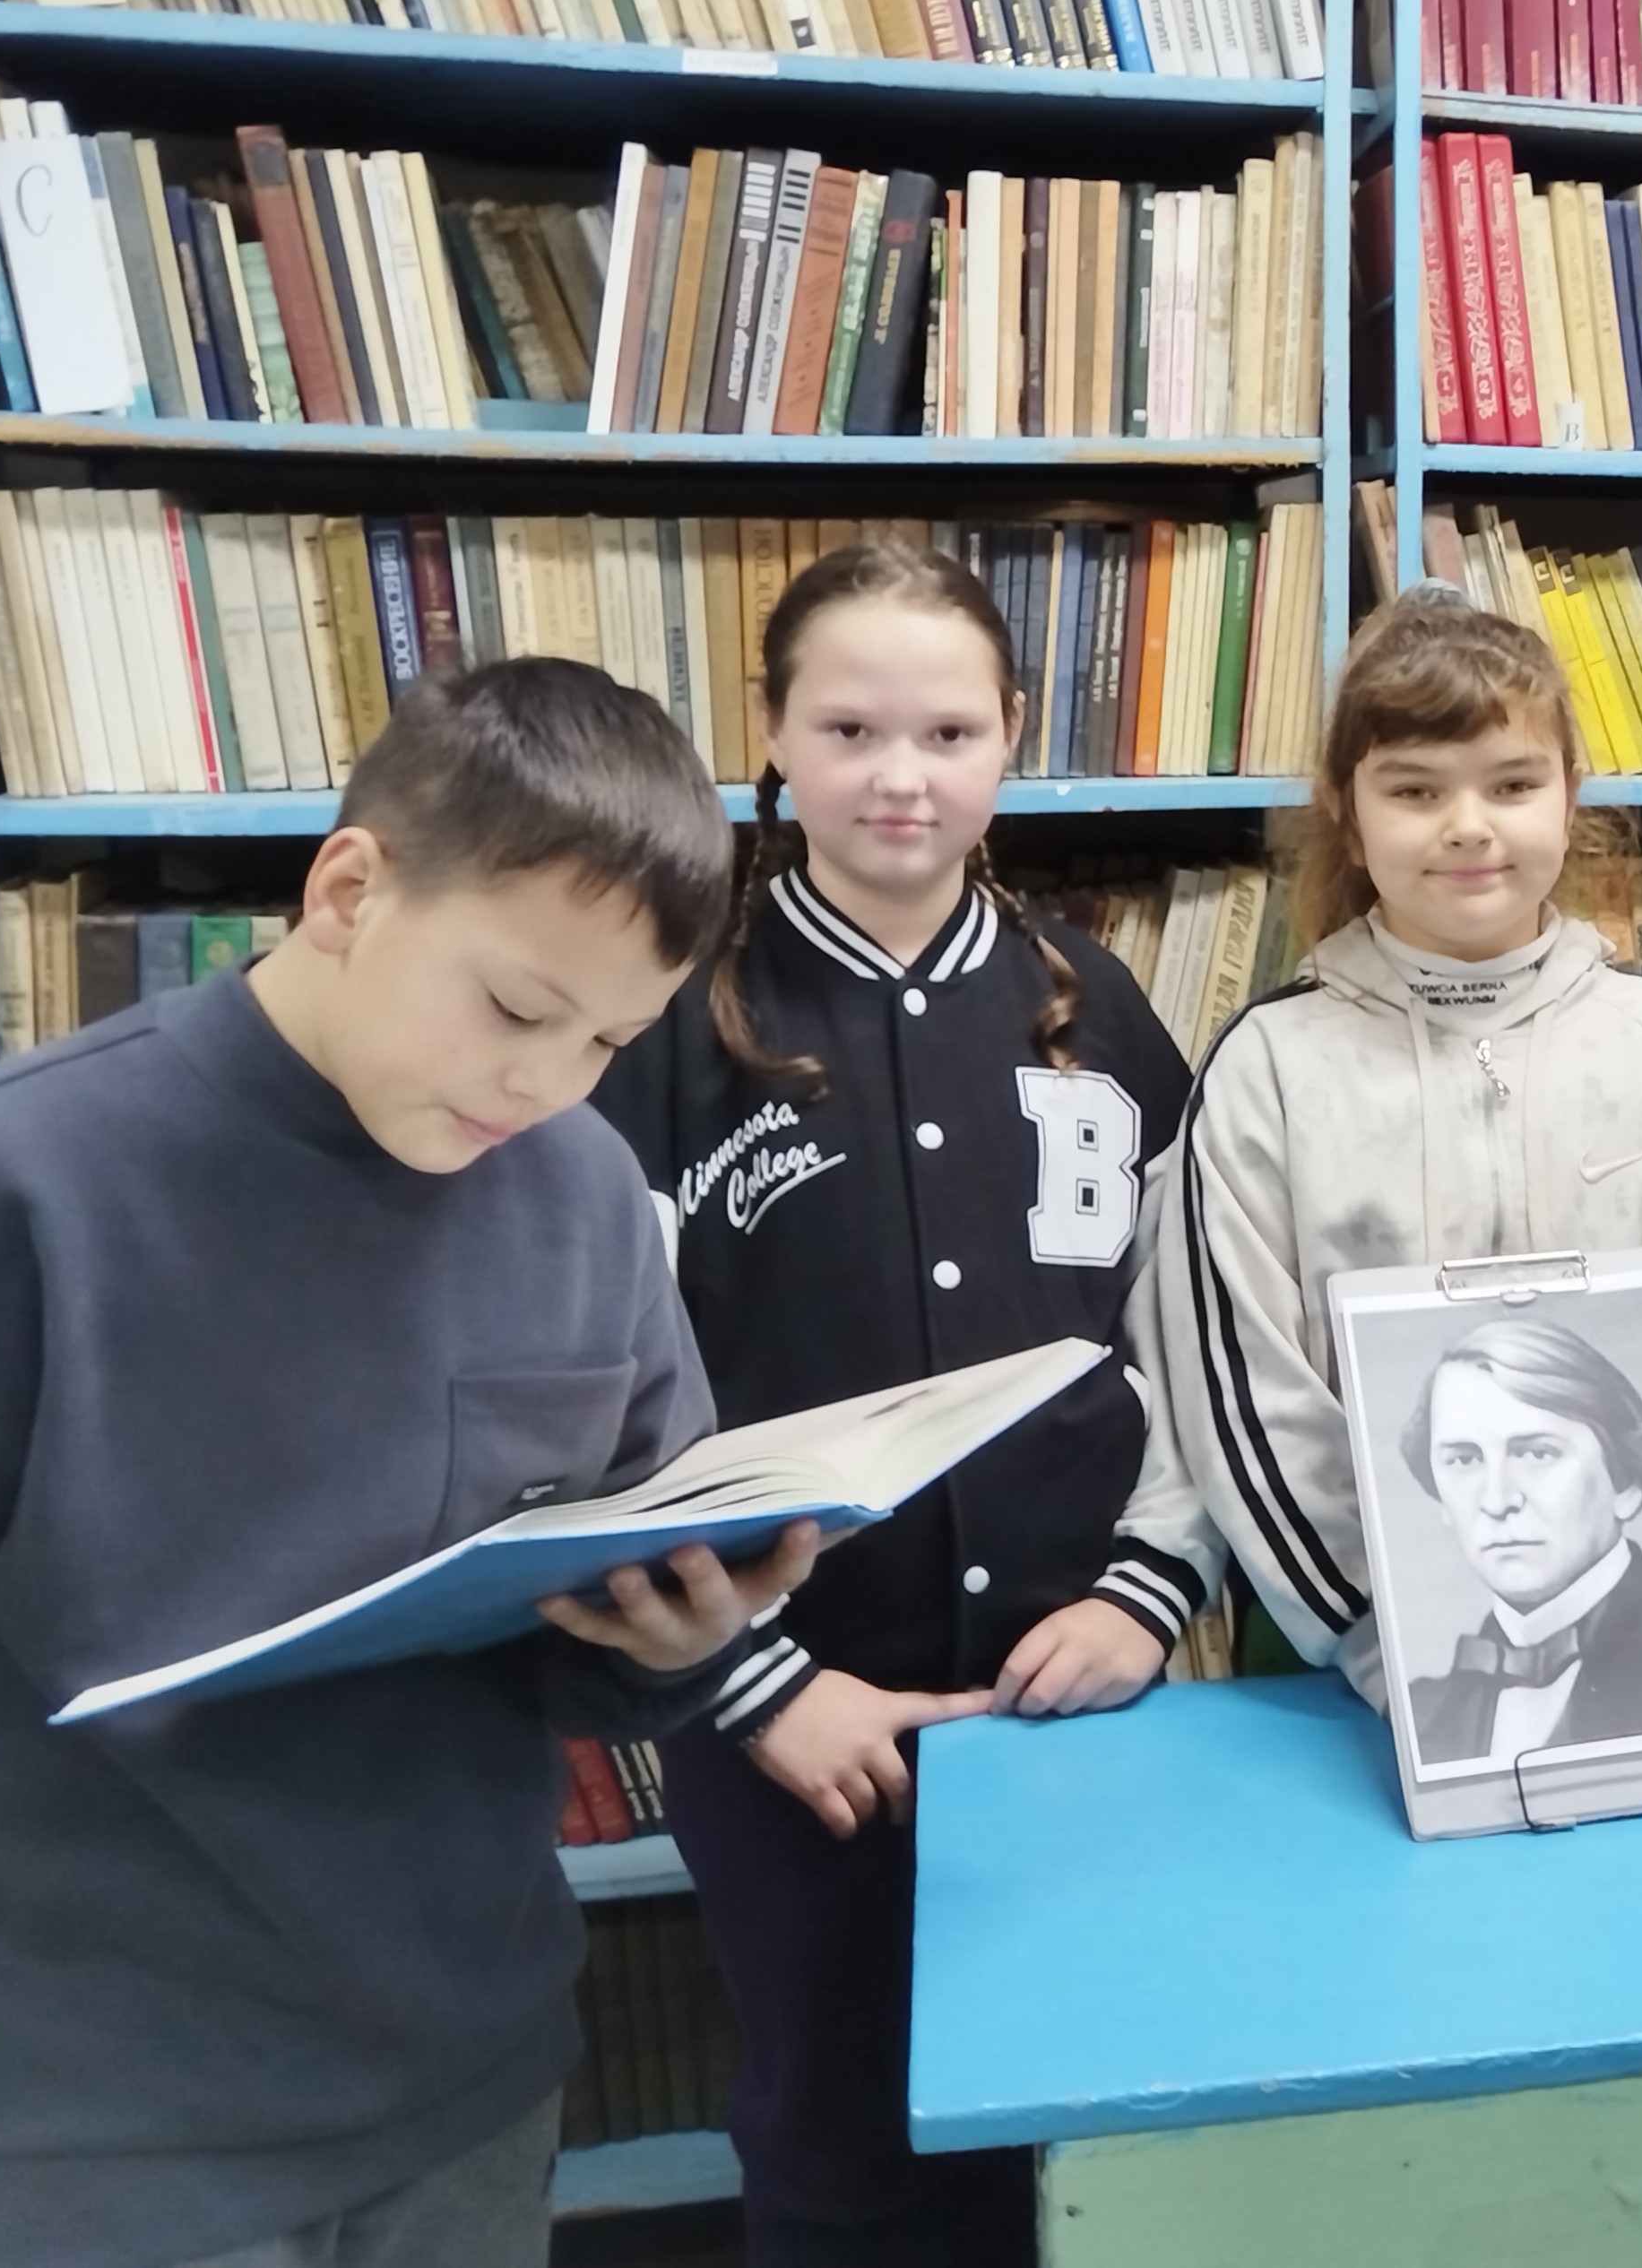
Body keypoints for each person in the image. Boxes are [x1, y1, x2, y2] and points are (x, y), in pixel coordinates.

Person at [0, 663, 816, 2268]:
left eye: (609, 1040)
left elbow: (593, 1631)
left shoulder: (578, 1191)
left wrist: (680, 1637)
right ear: (350, 887)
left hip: (467, 2082)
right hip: (99, 2121)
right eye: (516, 1009)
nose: (545, 1083)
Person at [591, 542, 1198, 2266]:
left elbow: (1189, 1339)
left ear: (1013, 733)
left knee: (1089, 2139)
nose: (900, 776)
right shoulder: (666, 1022)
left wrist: (1150, 1592)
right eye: (848, 729)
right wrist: (754, 1680)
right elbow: (600, 1406)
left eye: (949, 732)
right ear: (773, 733)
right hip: (797, 1724)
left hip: (1076, 1697)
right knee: (840, 2137)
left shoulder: (1094, 1005)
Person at [1133, 589, 1642, 1714]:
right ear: (1347, 814)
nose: (1468, 826)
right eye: (1416, 790)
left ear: (1570, 793)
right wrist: (1401, 1653)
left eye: (1512, 785)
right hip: (1346, 1658)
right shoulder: (1266, 1066)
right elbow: (1243, 1392)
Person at [1397, 1315, 1642, 1768]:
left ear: (1626, 1482)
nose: (1497, 1500)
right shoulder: (1421, 1712)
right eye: (1464, 1460)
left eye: (1536, 1453)